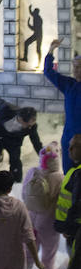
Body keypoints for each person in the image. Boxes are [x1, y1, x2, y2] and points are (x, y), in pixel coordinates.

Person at [22, 142, 63, 269]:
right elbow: (60, 202)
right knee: (48, 254)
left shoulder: (32, 172)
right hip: (48, 223)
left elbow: (24, 194)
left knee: (28, 251)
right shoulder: (60, 178)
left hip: (30, 221)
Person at [43, 38, 81, 172]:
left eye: (79, 66)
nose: (76, 70)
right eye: (74, 67)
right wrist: (51, 51)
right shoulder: (69, 85)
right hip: (69, 138)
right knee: (69, 175)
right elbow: (48, 72)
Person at [0, 100, 42, 181]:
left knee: (16, 162)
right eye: (28, 125)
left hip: (14, 142)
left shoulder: (32, 126)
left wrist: (42, 155)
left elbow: (36, 141)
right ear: (21, 119)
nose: (30, 127)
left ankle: (16, 184)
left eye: (32, 124)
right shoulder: (7, 110)